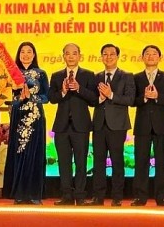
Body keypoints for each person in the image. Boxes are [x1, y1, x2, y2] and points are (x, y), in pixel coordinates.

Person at [48, 43, 98, 206]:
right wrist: (63, 92)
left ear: (79, 56)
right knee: (64, 162)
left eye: (74, 53)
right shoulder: (56, 76)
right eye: (67, 53)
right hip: (62, 126)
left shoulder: (88, 75)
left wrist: (79, 88)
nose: (71, 56)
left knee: (81, 162)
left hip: (81, 126)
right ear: (63, 56)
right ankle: (67, 196)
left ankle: (80, 196)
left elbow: (94, 99)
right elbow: (51, 98)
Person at [131, 45, 164, 207]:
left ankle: (162, 196)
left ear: (159, 57)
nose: (150, 56)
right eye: (147, 54)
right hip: (142, 126)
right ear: (142, 57)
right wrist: (143, 98)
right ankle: (140, 196)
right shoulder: (136, 78)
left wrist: (158, 96)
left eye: (154, 54)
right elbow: (131, 100)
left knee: (162, 163)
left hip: (162, 126)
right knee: (140, 162)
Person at [89, 44, 135, 207]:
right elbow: (92, 100)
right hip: (99, 125)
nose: (108, 57)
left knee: (117, 161)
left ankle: (117, 196)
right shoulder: (96, 77)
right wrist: (100, 98)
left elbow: (130, 99)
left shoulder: (126, 76)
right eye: (105, 54)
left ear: (117, 56)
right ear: (101, 57)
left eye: (112, 54)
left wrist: (111, 95)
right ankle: (98, 196)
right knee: (98, 162)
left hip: (117, 125)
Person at [3, 42, 48, 205]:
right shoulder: (12, 74)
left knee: (34, 154)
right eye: (23, 52)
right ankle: (19, 193)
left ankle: (35, 194)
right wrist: (19, 99)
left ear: (34, 55)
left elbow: (46, 97)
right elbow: (7, 98)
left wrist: (31, 97)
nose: (26, 55)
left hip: (35, 117)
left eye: (29, 52)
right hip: (18, 115)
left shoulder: (41, 74)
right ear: (19, 54)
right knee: (19, 152)